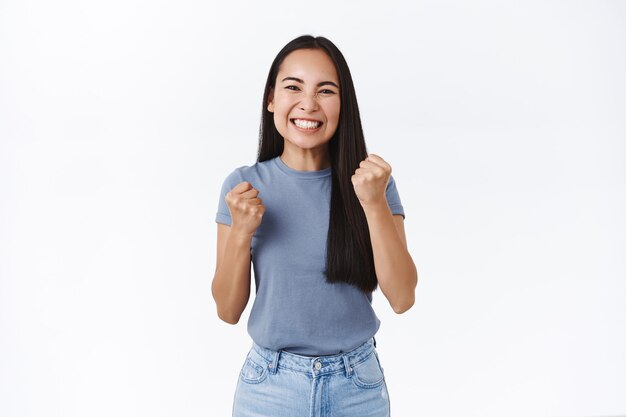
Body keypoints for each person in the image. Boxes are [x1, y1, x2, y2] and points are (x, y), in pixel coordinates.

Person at [212, 34, 418, 417]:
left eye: (326, 91)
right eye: (293, 87)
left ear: (344, 106)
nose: (308, 104)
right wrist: (241, 231)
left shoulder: (373, 184)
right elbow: (227, 310)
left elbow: (403, 297)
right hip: (269, 388)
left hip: (357, 387)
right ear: (271, 99)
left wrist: (372, 204)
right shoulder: (243, 187)